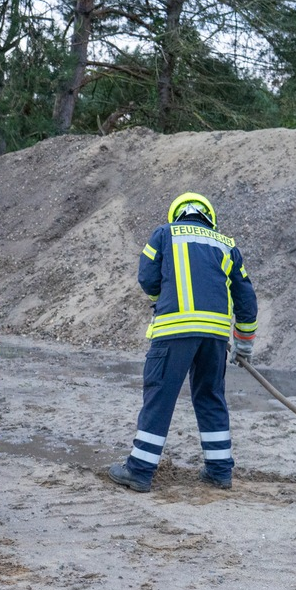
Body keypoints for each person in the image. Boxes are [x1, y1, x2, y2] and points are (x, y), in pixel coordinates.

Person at [108, 192, 258, 493]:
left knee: (160, 396)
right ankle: (219, 472)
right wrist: (243, 342)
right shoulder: (226, 244)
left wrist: (162, 298)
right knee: (210, 397)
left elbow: (146, 276)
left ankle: (139, 471)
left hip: (173, 332)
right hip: (215, 337)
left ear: (176, 215)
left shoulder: (164, 234)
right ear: (209, 218)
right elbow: (246, 298)